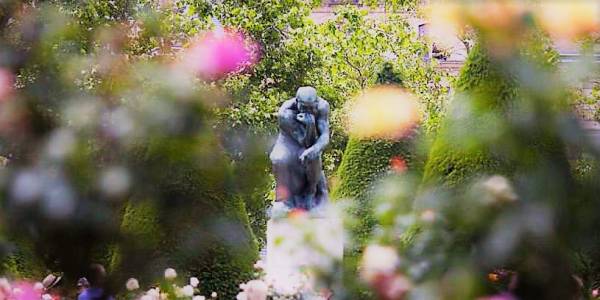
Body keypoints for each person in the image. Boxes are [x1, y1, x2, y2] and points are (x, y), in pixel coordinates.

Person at [270, 86, 330, 210]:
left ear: (316, 102)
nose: (307, 111)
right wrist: (310, 126)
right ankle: (284, 199)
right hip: (287, 143)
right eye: (304, 107)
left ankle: (311, 193)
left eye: (310, 107)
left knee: (312, 156)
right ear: (297, 102)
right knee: (278, 159)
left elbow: (324, 136)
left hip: (309, 143)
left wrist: (315, 149)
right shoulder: (285, 112)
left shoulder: (322, 106)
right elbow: (303, 141)